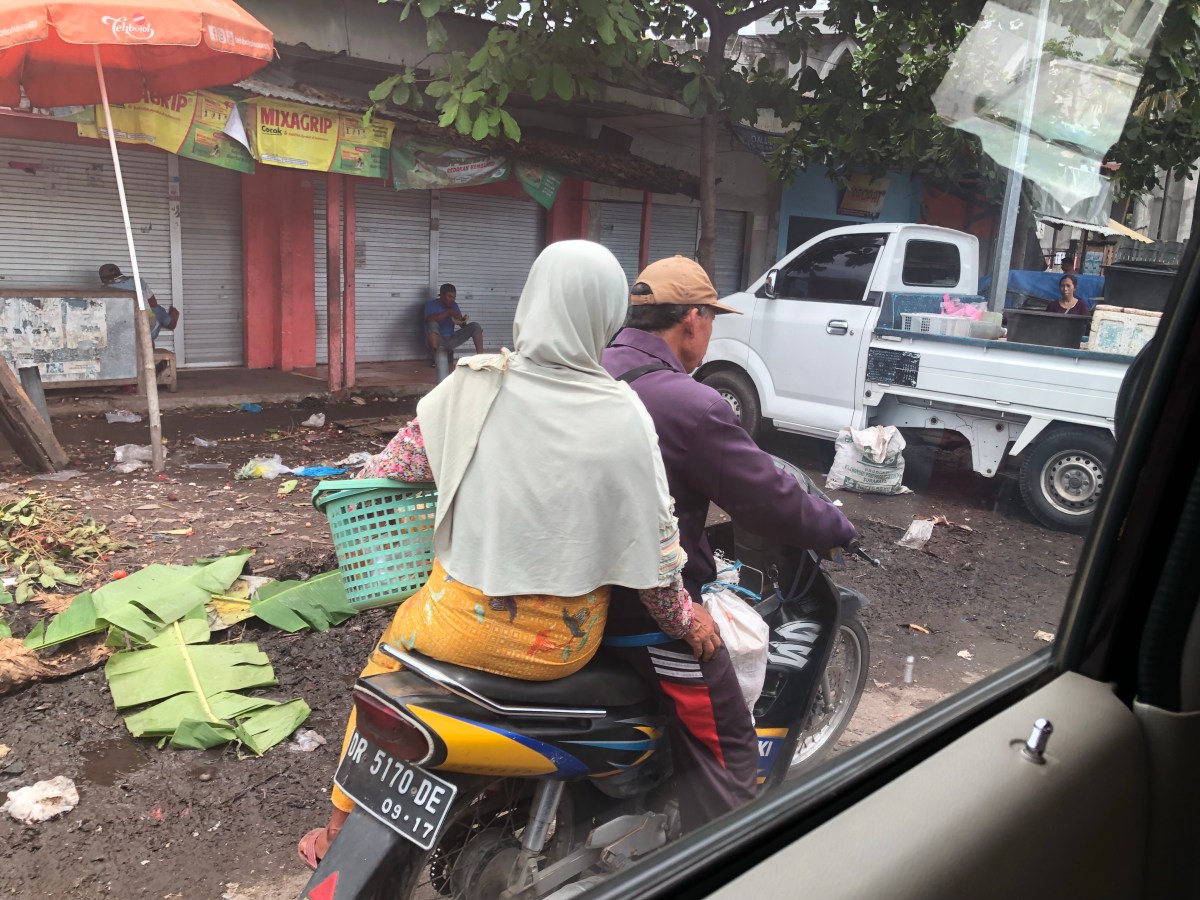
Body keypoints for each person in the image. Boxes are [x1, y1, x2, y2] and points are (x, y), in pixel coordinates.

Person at [298, 241, 722, 868]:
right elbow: (658, 555)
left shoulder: (471, 386)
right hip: (559, 645)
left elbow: (391, 472)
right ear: (608, 315)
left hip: (449, 627)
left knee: (382, 670)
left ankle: (337, 829)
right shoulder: (621, 413)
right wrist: (689, 624)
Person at [601, 255, 857, 834]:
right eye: (712, 318)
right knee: (731, 755)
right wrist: (836, 527)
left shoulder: (586, 371)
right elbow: (766, 496)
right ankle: (717, 859)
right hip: (646, 615)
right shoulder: (689, 403)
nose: (710, 329)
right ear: (692, 318)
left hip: (570, 593)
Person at [98, 263, 178, 342]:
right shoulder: (137, 281)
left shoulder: (101, 291)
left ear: (102, 279)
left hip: (121, 330)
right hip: (144, 325)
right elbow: (153, 303)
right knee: (157, 310)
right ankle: (170, 322)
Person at [424, 282, 484, 357]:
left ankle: (481, 357)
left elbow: (463, 326)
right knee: (432, 324)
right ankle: (435, 356)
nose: (452, 300)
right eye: (449, 296)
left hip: (451, 339)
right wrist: (448, 312)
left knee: (475, 326)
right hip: (437, 340)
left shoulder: (454, 305)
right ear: (442, 295)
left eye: (454, 297)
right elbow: (428, 319)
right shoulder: (431, 304)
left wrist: (460, 320)